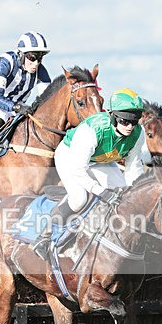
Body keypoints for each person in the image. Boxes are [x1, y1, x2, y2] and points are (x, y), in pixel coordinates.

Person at [32, 88, 146, 260]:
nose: (130, 127)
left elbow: (134, 167)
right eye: (124, 121)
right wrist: (100, 190)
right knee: (79, 199)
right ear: (112, 116)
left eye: (134, 121)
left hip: (101, 161)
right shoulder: (92, 131)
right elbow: (79, 169)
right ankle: (45, 234)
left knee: (123, 197)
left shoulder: (138, 133)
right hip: (70, 157)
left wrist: (135, 193)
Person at [0, 31, 52, 167]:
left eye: (40, 58)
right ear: (21, 54)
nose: (36, 63)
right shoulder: (5, 62)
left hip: (15, 108)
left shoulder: (39, 69)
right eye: (32, 57)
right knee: (0, 116)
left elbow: (47, 98)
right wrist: (17, 107)